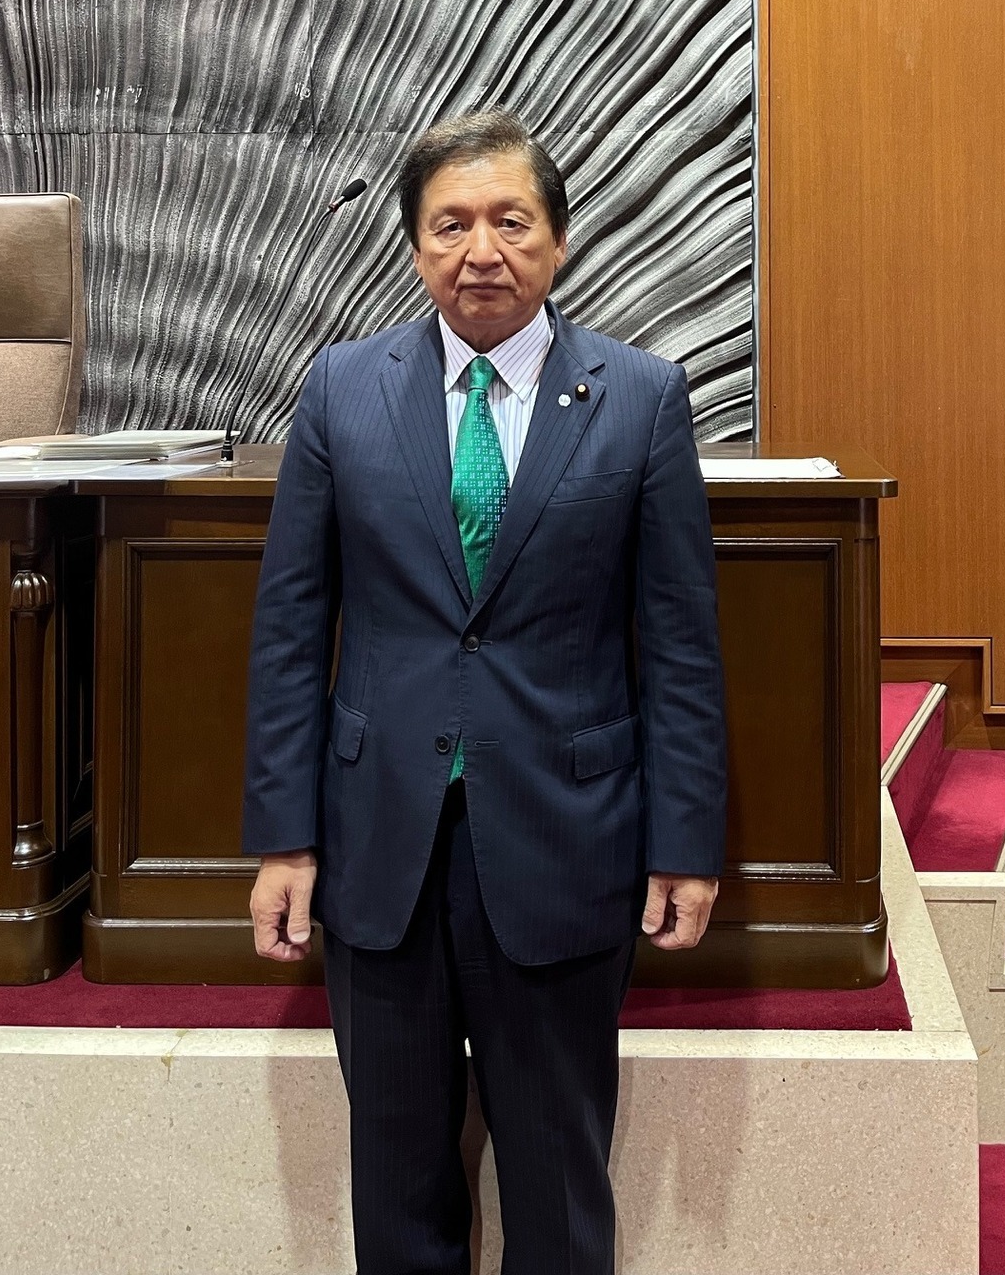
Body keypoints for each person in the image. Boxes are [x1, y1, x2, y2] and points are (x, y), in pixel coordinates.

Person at [242, 110, 728, 1275]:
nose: (481, 251)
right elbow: (292, 629)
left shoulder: (642, 395)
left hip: (566, 838)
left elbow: (680, 645)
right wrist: (283, 839)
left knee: (557, 1188)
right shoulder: (343, 388)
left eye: (510, 221)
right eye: (449, 225)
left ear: (557, 239)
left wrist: (686, 844)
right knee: (397, 1182)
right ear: (415, 247)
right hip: (381, 844)